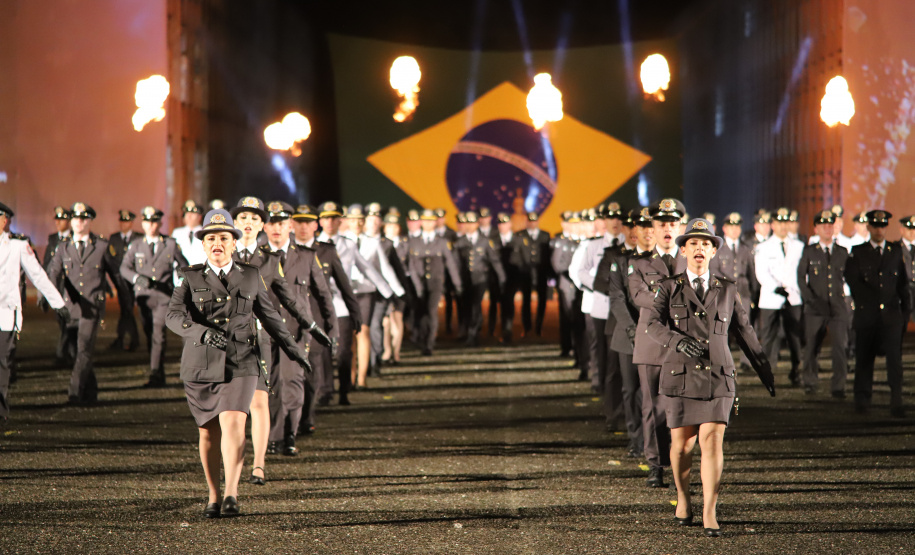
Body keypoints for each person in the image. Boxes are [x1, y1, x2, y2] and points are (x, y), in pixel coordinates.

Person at [166, 208, 313, 518]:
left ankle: (232, 491)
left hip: (241, 361)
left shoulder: (250, 274)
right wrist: (201, 332)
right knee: (207, 432)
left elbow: (271, 318)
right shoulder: (190, 277)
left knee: (234, 421)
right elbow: (173, 316)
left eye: (222, 237)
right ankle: (214, 495)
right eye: (210, 238)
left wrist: (294, 350)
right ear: (203, 245)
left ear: (233, 242)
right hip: (201, 364)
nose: (216, 243)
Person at [645, 217, 775, 537]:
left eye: (706, 244)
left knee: (712, 441)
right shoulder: (668, 286)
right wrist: (677, 341)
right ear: (685, 250)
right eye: (694, 243)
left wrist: (764, 368)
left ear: (714, 252)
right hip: (680, 375)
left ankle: (710, 510)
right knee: (681, 446)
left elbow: (744, 331)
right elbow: (651, 324)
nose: (700, 248)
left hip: (719, 376)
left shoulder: (728, 289)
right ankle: (683, 498)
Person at [258, 200, 332, 458]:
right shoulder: (256, 257)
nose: (276, 228)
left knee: (292, 381)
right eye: (272, 223)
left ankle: (288, 434)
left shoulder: (307, 257)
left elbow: (324, 296)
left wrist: (331, 330)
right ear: (264, 226)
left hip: (295, 331)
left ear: (290, 225)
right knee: (269, 385)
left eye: (281, 223)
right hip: (264, 331)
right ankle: (272, 434)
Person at [629, 198, 687, 488]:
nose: (667, 229)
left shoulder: (692, 259)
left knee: (682, 408)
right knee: (653, 408)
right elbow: (639, 297)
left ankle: (681, 462)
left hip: (684, 345)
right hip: (651, 344)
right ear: (653, 227)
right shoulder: (639, 263)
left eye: (673, 224)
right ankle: (656, 464)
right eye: (662, 224)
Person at [0, 202, 68, 423]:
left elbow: (37, 274)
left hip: (6, 314)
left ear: (6, 220)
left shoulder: (18, 245)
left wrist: (57, 302)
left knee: (3, 362)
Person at [46, 202, 119, 405]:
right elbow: (54, 274)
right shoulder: (63, 247)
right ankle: (91, 390)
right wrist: (48, 297)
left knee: (84, 348)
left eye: (83, 219)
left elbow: (116, 276)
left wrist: (127, 304)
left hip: (92, 307)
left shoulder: (102, 246)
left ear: (90, 221)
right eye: (75, 218)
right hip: (70, 308)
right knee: (75, 351)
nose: (78, 222)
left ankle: (74, 392)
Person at [844, 210, 910, 418]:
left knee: (895, 362)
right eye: (876, 226)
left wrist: (905, 313)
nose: (880, 230)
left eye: (883, 226)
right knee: (864, 359)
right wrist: (873, 303)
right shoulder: (857, 252)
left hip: (891, 317)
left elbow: (902, 284)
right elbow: (854, 282)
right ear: (869, 228)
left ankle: (896, 400)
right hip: (867, 315)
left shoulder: (894, 251)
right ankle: (862, 400)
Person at [293, 204, 357, 409]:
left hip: (328, 309)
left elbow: (344, 282)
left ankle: (338, 391)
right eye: (299, 222)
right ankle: (321, 393)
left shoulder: (329, 250)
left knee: (332, 353)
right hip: (294, 312)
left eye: (307, 222)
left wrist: (355, 311)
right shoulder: (285, 249)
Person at [119, 207, 189, 387]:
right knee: (149, 334)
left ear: (160, 223)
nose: (151, 226)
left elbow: (183, 265)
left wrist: (181, 277)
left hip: (164, 296)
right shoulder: (136, 245)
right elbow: (124, 268)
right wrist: (136, 278)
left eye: (154, 222)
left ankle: (155, 373)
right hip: (143, 297)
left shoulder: (170, 244)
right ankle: (159, 370)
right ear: (143, 224)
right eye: (147, 222)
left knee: (159, 334)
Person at [599, 208, 649, 453]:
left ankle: (651, 437)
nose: (644, 232)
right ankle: (635, 436)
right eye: (639, 227)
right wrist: (632, 330)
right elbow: (617, 299)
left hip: (654, 334)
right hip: (628, 334)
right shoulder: (620, 259)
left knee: (651, 391)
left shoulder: (661, 260)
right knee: (630, 389)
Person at [797, 210, 850, 397]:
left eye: (830, 225)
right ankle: (810, 381)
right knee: (812, 346)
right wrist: (811, 300)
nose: (827, 229)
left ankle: (838, 386)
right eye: (823, 225)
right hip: (815, 307)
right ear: (816, 228)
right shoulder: (810, 251)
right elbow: (801, 279)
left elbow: (851, 277)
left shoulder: (842, 252)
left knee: (840, 347)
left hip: (837, 306)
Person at [754, 207, 805, 386]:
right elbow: (761, 273)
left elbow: (802, 272)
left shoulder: (799, 246)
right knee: (768, 337)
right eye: (780, 223)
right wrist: (776, 287)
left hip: (793, 297)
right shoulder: (763, 247)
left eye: (786, 223)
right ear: (773, 225)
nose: (783, 227)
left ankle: (796, 371)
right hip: (771, 298)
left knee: (795, 337)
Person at [407, 209, 462, 355]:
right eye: (425, 220)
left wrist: (457, 283)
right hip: (418, 282)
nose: (428, 223)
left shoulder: (442, 242)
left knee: (431, 311)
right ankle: (421, 338)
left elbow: (450, 263)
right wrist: (416, 284)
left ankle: (429, 343)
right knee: (420, 312)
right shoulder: (414, 242)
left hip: (436, 282)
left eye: (431, 220)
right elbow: (411, 265)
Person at [454, 211, 506, 346]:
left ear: (477, 224)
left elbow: (494, 261)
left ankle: (473, 332)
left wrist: (502, 277)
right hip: (465, 280)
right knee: (466, 306)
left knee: (476, 305)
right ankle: (469, 330)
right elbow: (455, 264)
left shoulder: (484, 242)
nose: (469, 226)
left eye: (472, 223)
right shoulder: (460, 243)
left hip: (480, 278)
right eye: (467, 223)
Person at [43, 206, 76, 363]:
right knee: (61, 321)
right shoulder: (53, 239)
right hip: (56, 287)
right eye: (56, 219)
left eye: (61, 219)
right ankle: (69, 351)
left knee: (70, 320)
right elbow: (47, 264)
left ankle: (64, 353)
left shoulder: (75, 237)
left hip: (71, 287)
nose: (58, 222)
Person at [108, 210, 142, 351]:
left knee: (126, 309)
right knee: (126, 309)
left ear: (131, 223)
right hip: (120, 281)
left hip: (134, 280)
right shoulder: (114, 238)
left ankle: (125, 339)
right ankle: (129, 339)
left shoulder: (139, 238)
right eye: (122, 221)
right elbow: (111, 259)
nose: (124, 224)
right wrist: (116, 278)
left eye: (127, 221)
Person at [517, 212, 552, 336]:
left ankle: (538, 326)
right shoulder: (520, 235)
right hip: (526, 273)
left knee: (542, 301)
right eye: (530, 221)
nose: (532, 223)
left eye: (534, 221)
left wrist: (549, 274)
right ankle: (527, 327)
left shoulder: (545, 235)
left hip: (541, 273)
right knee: (526, 301)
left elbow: (548, 256)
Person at [551, 212, 578, 357]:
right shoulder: (562, 241)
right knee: (567, 317)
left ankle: (576, 347)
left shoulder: (580, 241)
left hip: (577, 284)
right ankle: (567, 346)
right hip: (567, 283)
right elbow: (556, 264)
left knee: (576, 318)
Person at [172, 200, 206, 265]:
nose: (189, 216)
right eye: (187, 213)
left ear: (200, 216)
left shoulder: (205, 232)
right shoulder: (177, 233)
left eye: (192, 213)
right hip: (181, 272)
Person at [900, 215, 915, 328]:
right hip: (903, 291)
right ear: (902, 230)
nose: (912, 232)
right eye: (909, 229)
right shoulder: (896, 248)